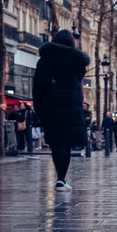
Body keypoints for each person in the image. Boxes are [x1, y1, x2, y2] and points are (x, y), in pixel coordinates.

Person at [33, 29, 90, 191]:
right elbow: (79, 79)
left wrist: (38, 108)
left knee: (55, 142)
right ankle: (61, 179)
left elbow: (38, 86)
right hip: (71, 106)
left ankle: (60, 178)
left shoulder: (45, 60)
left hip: (51, 105)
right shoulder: (77, 62)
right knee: (66, 144)